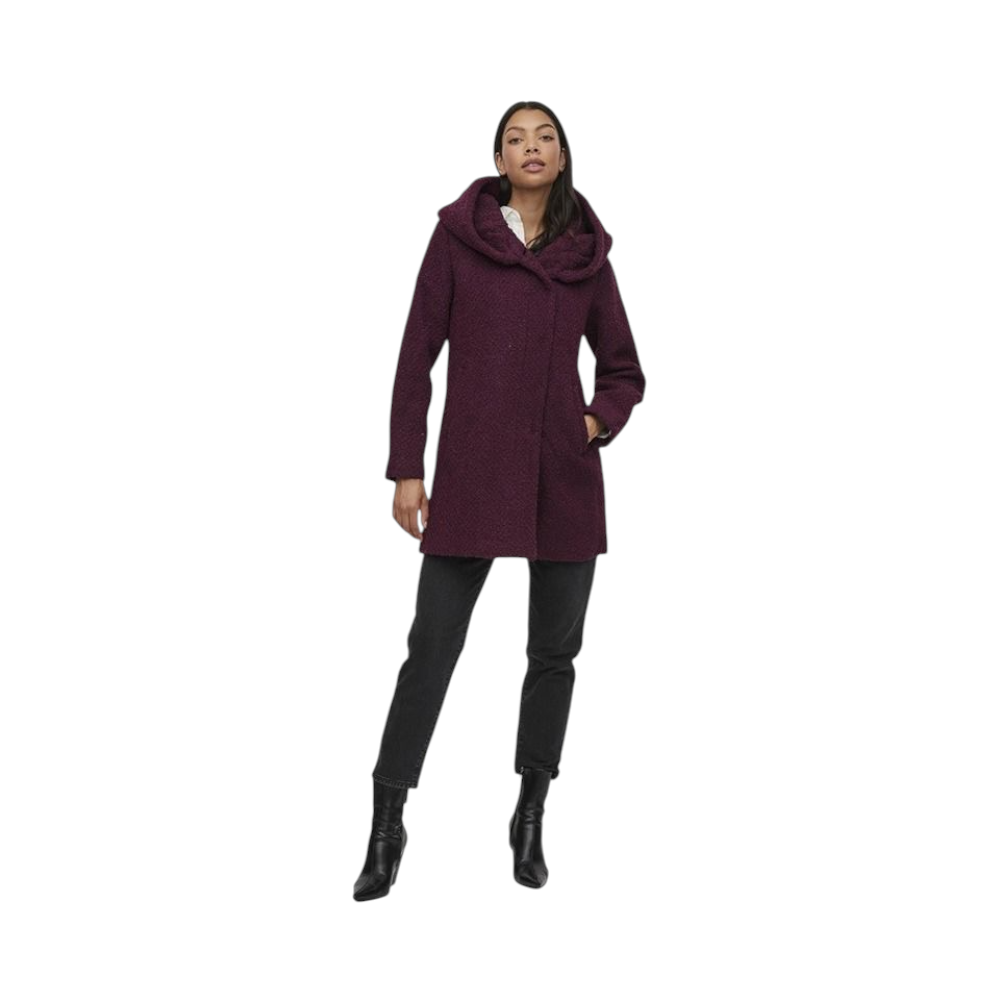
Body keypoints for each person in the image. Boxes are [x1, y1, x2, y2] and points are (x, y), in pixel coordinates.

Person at [353, 101, 646, 901]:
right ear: (498, 159)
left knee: (554, 655)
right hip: (475, 471)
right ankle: (386, 822)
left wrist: (594, 422)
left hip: (563, 477)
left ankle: (530, 815)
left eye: (545, 136)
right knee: (432, 646)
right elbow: (416, 354)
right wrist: (407, 468)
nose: (531, 147)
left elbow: (623, 368)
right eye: (516, 138)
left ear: (563, 155)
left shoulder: (587, 254)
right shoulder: (459, 240)